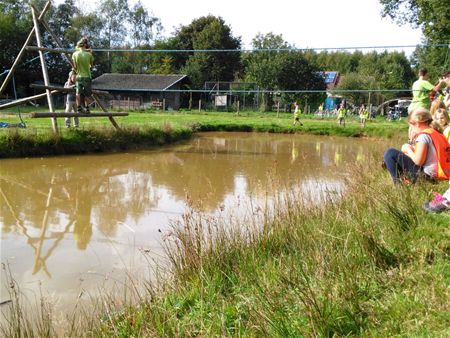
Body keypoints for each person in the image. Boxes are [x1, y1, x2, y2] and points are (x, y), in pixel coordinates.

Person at [383, 108, 450, 184]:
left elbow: (418, 161)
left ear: (417, 123)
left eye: (411, 124)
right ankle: (405, 180)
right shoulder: (437, 134)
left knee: (390, 153)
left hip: (428, 177)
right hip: (441, 174)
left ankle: (398, 184)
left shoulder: (423, 136)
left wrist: (408, 149)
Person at [72, 37, 94, 114]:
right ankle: (87, 108)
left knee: (78, 93)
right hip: (87, 77)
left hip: (79, 77)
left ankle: (79, 108)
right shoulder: (89, 54)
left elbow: (75, 67)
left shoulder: (74, 54)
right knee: (87, 94)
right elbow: (91, 65)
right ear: (85, 45)